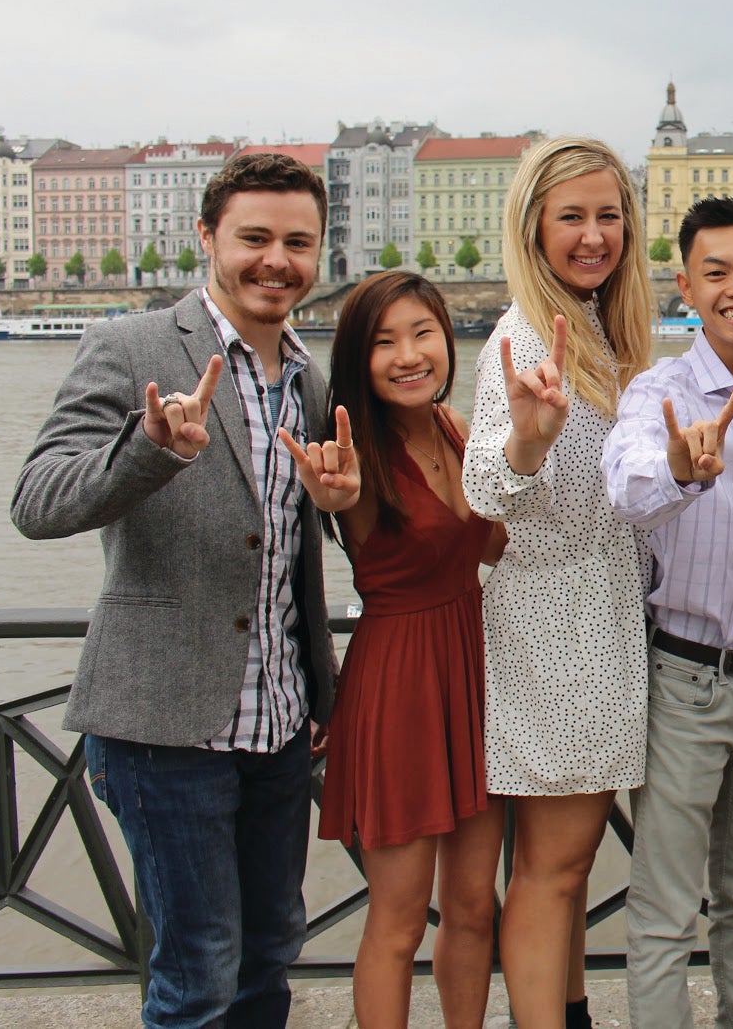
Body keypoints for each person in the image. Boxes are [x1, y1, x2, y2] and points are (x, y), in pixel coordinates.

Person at [12, 151, 356, 1027]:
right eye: (254, 238)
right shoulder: (131, 347)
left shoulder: (309, 381)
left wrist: (320, 677)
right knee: (196, 974)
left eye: (297, 242)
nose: (276, 260)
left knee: (271, 951)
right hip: (163, 723)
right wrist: (150, 451)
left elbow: (288, 553)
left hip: (279, 723)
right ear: (206, 237)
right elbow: (37, 502)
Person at [601, 195, 733, 1029]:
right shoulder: (661, 390)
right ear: (685, 285)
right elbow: (626, 487)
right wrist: (683, 473)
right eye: (715, 272)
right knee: (663, 910)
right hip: (686, 683)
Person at [462, 135, 655, 1029]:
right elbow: (488, 489)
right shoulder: (524, 336)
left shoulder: (603, 333)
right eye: (571, 216)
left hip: (602, 622)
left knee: (568, 867)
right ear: (533, 225)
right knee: (553, 868)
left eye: (608, 215)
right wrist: (528, 441)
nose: (592, 235)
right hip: (556, 632)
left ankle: (568, 1009)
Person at [317, 271, 505, 1027]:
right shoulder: (352, 452)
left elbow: (495, 542)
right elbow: (333, 496)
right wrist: (333, 496)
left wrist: (532, 449)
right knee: (396, 920)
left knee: (472, 910)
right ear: (358, 359)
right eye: (383, 341)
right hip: (399, 684)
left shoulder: (456, 429)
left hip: (473, 669)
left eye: (421, 333)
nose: (407, 355)